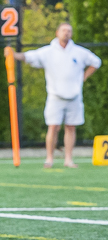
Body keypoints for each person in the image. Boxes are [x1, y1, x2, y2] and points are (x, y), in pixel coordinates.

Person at [13, 22, 101, 168]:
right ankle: (49, 158)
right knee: (53, 127)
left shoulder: (79, 52)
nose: (66, 33)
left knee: (71, 127)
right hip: (55, 96)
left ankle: (68, 159)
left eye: (69, 31)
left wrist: (83, 77)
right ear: (57, 32)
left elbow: (96, 62)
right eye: (64, 30)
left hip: (74, 96)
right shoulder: (48, 52)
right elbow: (29, 56)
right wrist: (13, 55)